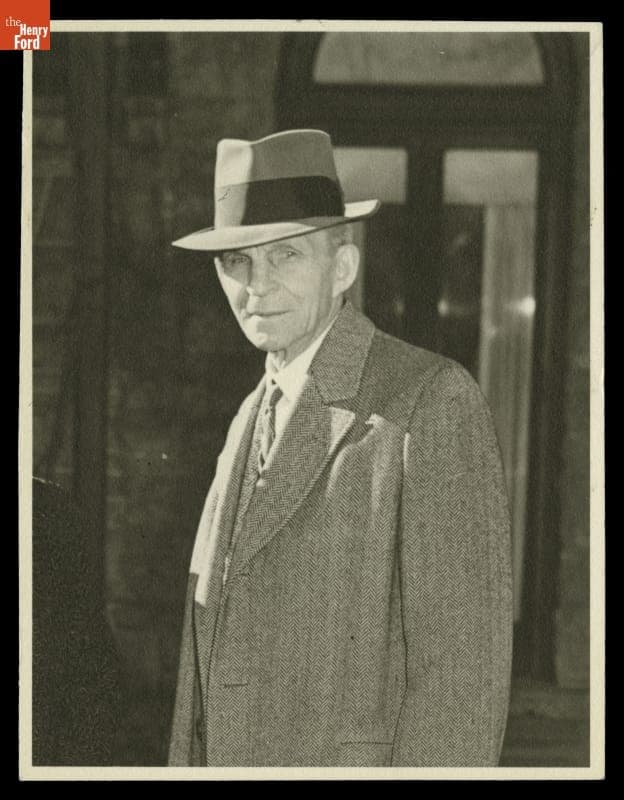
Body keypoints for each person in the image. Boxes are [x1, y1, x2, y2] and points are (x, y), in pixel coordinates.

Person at [168, 129, 513, 767]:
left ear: (343, 268)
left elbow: (461, 689)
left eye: (287, 255)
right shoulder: (250, 414)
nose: (256, 286)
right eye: (236, 261)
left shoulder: (429, 403)